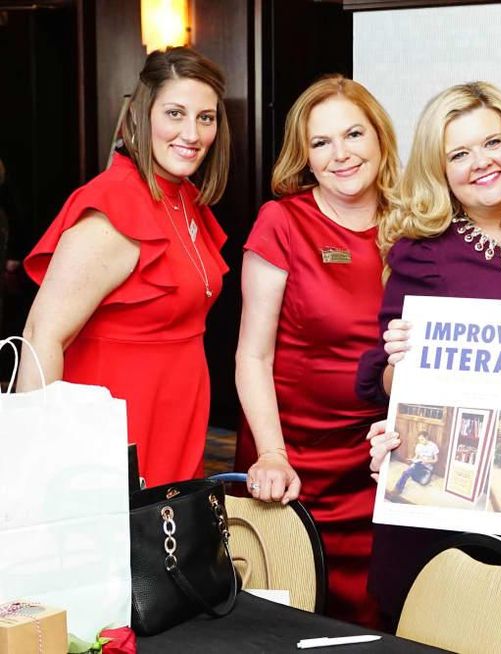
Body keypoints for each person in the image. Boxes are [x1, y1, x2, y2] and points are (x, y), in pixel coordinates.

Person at [356, 80, 501, 628]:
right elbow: (382, 378)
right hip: (453, 502)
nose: (481, 163)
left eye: (492, 143)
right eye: (459, 153)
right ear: (441, 170)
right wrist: (399, 368)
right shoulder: (423, 251)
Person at [18, 47, 230, 486]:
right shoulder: (115, 207)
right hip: (113, 442)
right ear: (142, 114)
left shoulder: (182, 198)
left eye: (205, 118)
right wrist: (41, 466)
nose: (191, 133)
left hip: (176, 430)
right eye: (175, 113)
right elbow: (42, 335)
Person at [234, 75, 398, 628]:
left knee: (378, 623)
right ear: (305, 155)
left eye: (353, 134)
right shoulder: (283, 222)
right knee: (288, 620)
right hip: (295, 465)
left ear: (380, 138)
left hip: (381, 466)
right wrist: (273, 452)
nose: (341, 154)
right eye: (321, 142)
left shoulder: (414, 224)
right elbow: (252, 356)